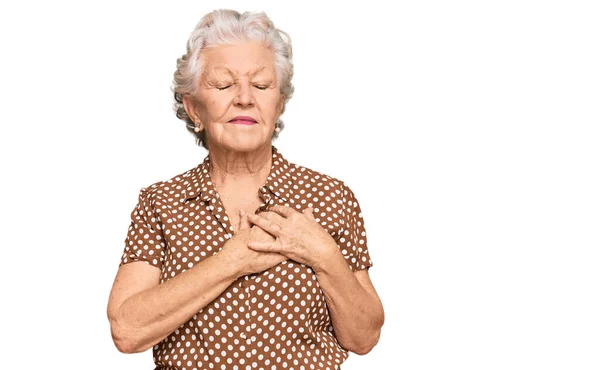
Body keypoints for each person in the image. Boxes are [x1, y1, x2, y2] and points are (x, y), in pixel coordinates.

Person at [107, 9, 384, 370]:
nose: (244, 98)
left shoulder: (330, 196)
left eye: (262, 85)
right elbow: (126, 330)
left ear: (279, 102)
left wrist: (323, 253)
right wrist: (230, 262)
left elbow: (365, 337)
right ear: (193, 107)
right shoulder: (161, 203)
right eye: (223, 85)